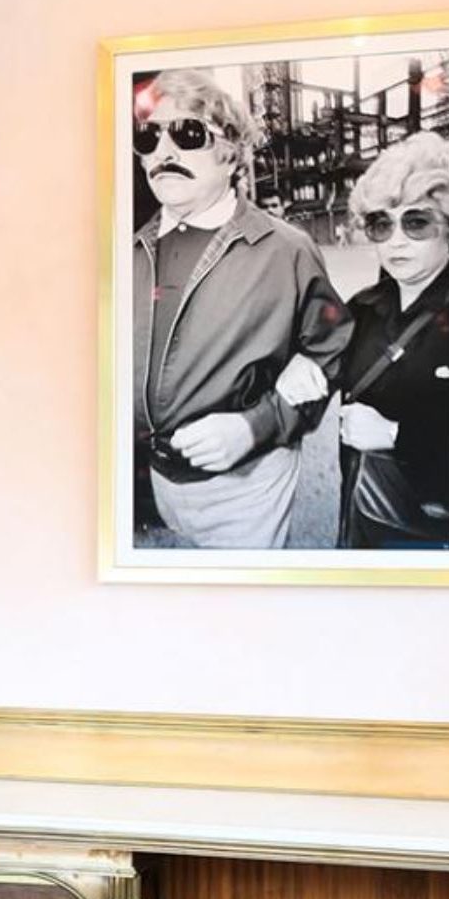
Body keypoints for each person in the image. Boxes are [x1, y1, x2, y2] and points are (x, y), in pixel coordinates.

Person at [131, 69, 351, 549]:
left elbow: (331, 352)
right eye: (149, 137)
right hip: (152, 482)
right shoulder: (128, 251)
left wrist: (256, 427)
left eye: (188, 134)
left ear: (231, 154)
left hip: (244, 489)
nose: (164, 154)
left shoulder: (285, 250)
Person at [332, 131, 449, 551]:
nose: (397, 239)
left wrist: (395, 434)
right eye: (381, 224)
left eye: (417, 221)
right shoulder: (361, 309)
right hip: (364, 511)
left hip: (443, 530)